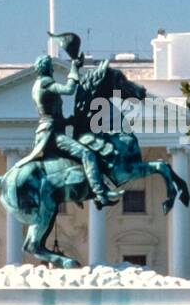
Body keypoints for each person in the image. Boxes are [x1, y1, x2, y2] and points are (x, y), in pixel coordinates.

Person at [13, 54, 121, 207]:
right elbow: (69, 89)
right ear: (48, 68)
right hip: (51, 135)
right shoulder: (45, 83)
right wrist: (74, 69)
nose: (52, 68)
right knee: (87, 153)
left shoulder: (38, 85)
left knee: (74, 161)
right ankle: (100, 193)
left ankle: (79, 192)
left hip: (50, 130)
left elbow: (51, 114)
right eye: (51, 66)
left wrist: (70, 120)